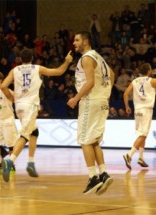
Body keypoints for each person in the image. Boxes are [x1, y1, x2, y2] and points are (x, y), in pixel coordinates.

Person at [1, 48, 73, 183]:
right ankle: (10, 161)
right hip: (30, 106)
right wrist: (67, 62)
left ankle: (31, 163)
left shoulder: (14, 70)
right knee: (26, 134)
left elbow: (4, 86)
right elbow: (59, 71)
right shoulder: (37, 68)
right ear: (32, 58)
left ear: (20, 59)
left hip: (19, 106)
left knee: (34, 132)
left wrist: (11, 98)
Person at [67, 31, 115, 195]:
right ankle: (103, 173)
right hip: (101, 101)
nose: (74, 43)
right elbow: (112, 74)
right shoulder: (98, 57)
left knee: (84, 140)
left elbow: (90, 82)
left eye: (77, 40)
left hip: (90, 101)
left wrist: (75, 98)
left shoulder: (87, 58)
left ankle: (92, 177)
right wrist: (106, 94)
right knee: (93, 140)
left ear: (86, 41)